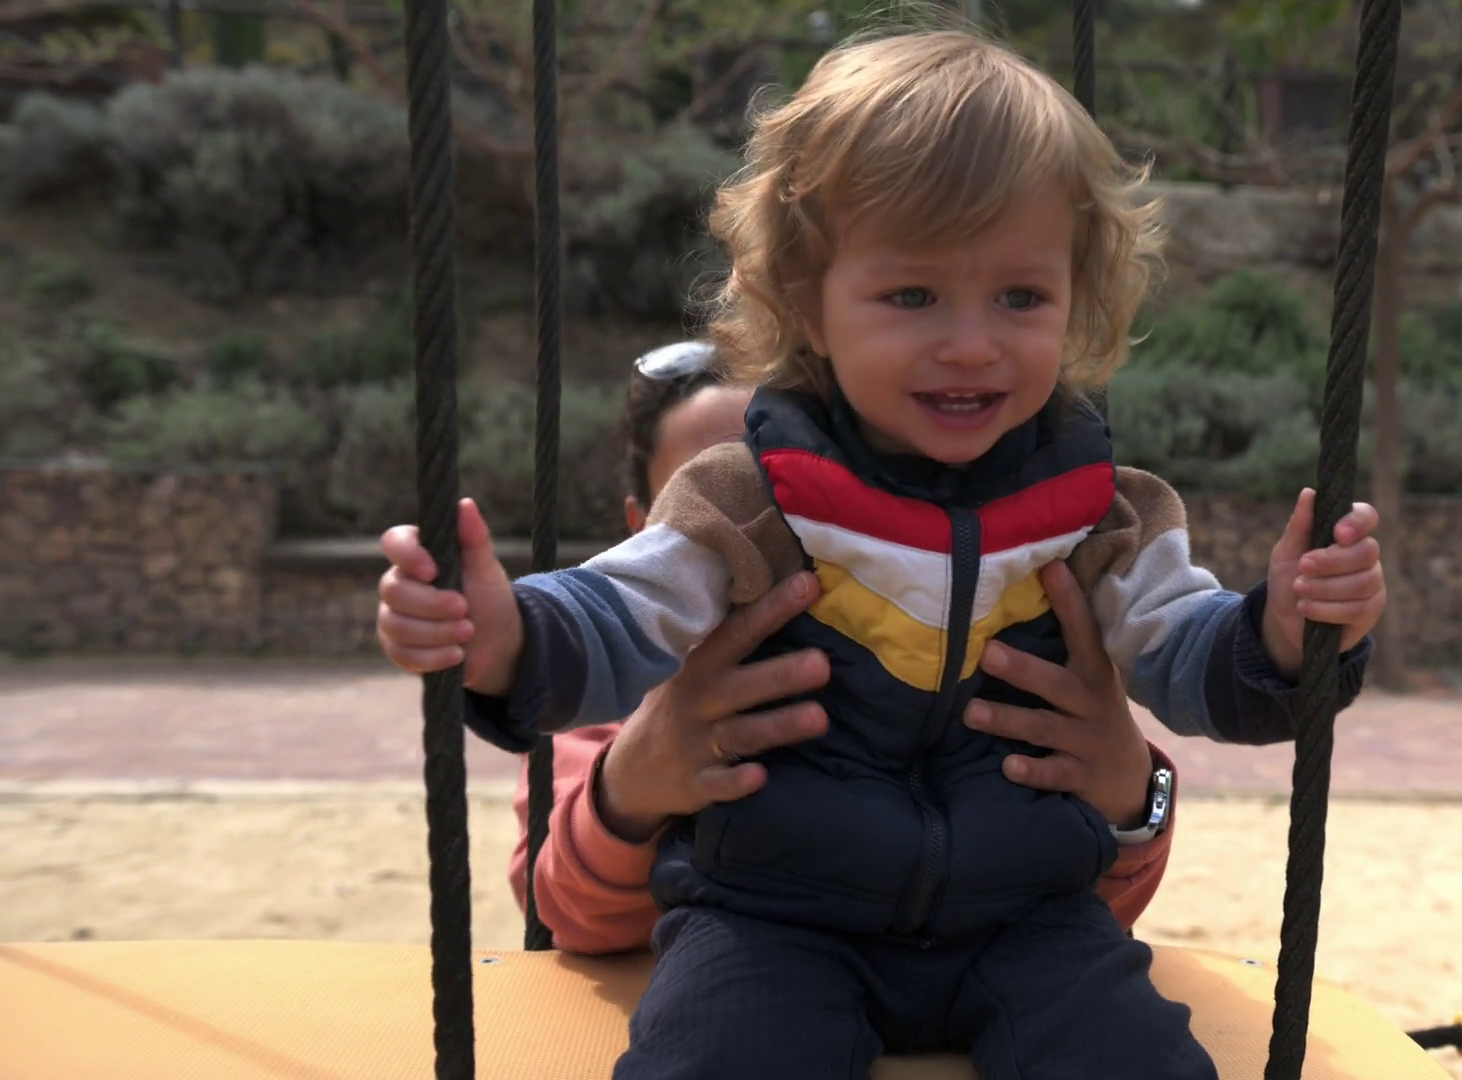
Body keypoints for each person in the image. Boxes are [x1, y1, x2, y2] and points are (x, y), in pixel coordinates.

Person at [376, 27, 1385, 1080]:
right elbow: (614, 615)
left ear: (1077, 295)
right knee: (716, 1060)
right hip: (775, 920)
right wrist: (502, 636)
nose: (971, 343)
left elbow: (1190, 653)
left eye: (1021, 296)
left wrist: (1284, 633)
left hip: (1029, 923)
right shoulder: (746, 502)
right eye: (913, 296)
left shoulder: (1102, 514)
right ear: (807, 304)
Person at [504, 341, 1186, 955]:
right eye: (717, 501)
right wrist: (629, 787)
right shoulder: (610, 694)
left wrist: (1134, 796)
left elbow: (1088, 915)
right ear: (643, 532)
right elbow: (561, 913)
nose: (764, 530)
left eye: (808, 497)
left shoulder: (972, 664)